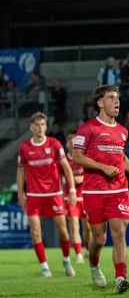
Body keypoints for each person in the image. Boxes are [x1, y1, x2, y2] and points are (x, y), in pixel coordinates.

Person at [73, 86, 129, 293]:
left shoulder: (122, 131)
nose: (116, 102)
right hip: (94, 192)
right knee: (99, 238)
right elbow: (77, 156)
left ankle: (120, 278)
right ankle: (94, 264)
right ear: (100, 103)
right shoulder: (88, 128)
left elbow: (119, 158)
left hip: (118, 190)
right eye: (111, 98)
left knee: (119, 232)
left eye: (117, 98)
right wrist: (102, 168)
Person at [17, 112, 78, 278]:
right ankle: (44, 267)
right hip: (34, 196)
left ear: (46, 126)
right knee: (36, 232)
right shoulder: (25, 147)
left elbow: (67, 168)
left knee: (63, 231)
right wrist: (21, 193)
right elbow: (21, 171)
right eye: (37, 124)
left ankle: (66, 260)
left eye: (43, 124)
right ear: (31, 127)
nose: (40, 127)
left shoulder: (55, 144)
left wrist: (72, 190)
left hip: (54, 194)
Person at [65, 133, 89, 262]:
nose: (72, 144)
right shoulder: (64, 160)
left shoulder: (84, 158)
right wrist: (69, 180)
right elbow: (59, 177)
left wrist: (83, 178)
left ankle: (88, 249)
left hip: (85, 197)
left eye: (74, 142)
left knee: (88, 227)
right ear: (67, 144)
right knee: (74, 225)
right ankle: (78, 254)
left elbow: (92, 174)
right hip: (71, 197)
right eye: (70, 142)